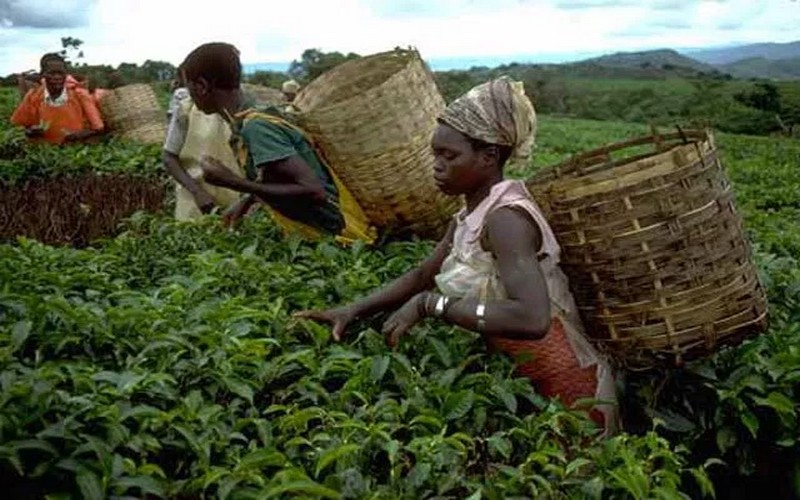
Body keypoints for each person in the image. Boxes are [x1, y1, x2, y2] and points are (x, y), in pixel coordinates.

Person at [298, 77, 618, 434]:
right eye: (435, 154)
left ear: (489, 157)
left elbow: (532, 319)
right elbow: (422, 275)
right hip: (525, 381)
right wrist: (352, 310)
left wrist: (432, 305)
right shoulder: (470, 216)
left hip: (570, 387)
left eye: (449, 156)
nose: (436, 165)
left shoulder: (506, 220)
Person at [179, 42, 375, 244]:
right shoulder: (248, 120)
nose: (190, 95)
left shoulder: (256, 127)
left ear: (202, 86)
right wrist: (247, 201)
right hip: (319, 235)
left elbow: (313, 190)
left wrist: (233, 182)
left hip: (340, 238)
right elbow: (277, 178)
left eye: (189, 87)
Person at [163, 95, 245, 221]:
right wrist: (198, 192)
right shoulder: (186, 109)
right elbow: (169, 157)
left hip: (239, 205)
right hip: (195, 204)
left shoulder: (246, 110)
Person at [10, 53, 104, 145]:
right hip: (43, 150)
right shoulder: (33, 96)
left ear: (66, 74)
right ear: (43, 74)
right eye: (52, 73)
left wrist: (80, 135)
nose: (57, 77)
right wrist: (30, 132)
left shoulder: (80, 95)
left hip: (75, 149)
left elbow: (98, 129)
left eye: (60, 73)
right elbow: (20, 126)